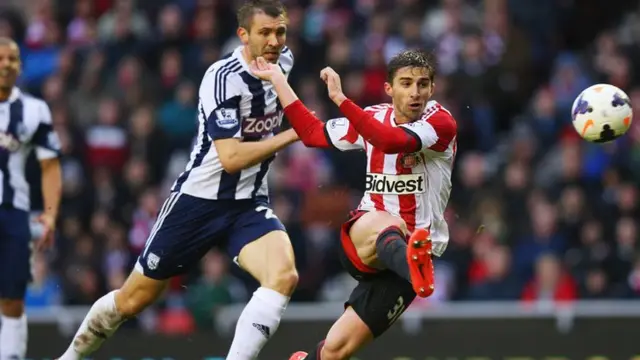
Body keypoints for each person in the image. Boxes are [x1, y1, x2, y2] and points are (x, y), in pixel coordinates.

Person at [57, 1, 301, 359]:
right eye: (264, 32)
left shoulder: (285, 62)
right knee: (131, 300)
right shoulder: (222, 77)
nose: (274, 40)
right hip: (198, 202)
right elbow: (231, 158)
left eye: (280, 32)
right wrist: (293, 134)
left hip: (248, 202)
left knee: (284, 275)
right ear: (243, 35)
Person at [248, 49, 457, 360]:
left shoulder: (440, 122)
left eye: (423, 84)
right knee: (393, 224)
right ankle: (414, 266)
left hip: (403, 267)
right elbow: (311, 133)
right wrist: (278, 79)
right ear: (389, 89)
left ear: (432, 88)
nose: (415, 93)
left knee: (335, 350)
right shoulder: (372, 117)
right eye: (406, 83)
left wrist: (341, 100)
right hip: (367, 240)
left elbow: (390, 141)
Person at [0, 37, 62, 360]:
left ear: (20, 66)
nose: (5, 64)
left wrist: (50, 214)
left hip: (13, 212)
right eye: (0, 58)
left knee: (12, 297)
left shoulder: (34, 110)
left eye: (12, 59)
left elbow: (50, 165)